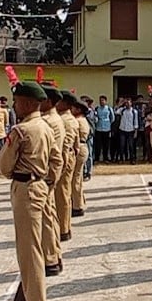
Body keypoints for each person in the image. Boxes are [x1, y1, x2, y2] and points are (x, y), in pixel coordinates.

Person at [0, 81, 62, 301]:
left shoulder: (21, 130)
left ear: (25, 103)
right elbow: (56, 160)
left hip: (25, 188)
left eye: (16, 102)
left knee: (29, 252)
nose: (14, 106)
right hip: (39, 187)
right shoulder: (46, 127)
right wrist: (48, 184)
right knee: (33, 247)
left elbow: (4, 168)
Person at [40, 85, 65, 276]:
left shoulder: (49, 121)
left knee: (46, 217)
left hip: (45, 172)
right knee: (50, 215)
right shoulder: (52, 119)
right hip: (48, 172)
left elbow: (50, 152)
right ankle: (54, 254)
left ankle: (50, 259)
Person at [56, 91, 80, 241]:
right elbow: (76, 142)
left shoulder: (64, 120)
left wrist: (62, 163)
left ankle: (63, 229)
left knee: (62, 195)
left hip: (64, 157)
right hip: (70, 156)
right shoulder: (72, 119)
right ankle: (65, 226)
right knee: (65, 192)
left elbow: (66, 144)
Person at [71, 98, 90, 217]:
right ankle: (79, 202)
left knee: (75, 179)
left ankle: (77, 206)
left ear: (78, 109)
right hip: (82, 147)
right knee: (78, 178)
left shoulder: (77, 121)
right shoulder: (82, 120)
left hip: (79, 147)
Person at [117, 98, 138, 164]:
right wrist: (120, 104)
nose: (127, 104)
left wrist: (135, 131)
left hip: (131, 130)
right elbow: (116, 112)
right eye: (126, 103)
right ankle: (121, 159)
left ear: (131, 103)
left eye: (129, 103)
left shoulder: (134, 111)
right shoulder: (122, 110)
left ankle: (132, 159)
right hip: (122, 130)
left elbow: (136, 121)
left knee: (131, 146)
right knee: (122, 145)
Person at [94, 96, 114, 163]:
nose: (101, 102)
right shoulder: (97, 108)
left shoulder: (109, 108)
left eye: (103, 100)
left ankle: (105, 158)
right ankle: (97, 158)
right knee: (98, 145)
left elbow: (112, 118)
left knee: (106, 144)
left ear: (105, 101)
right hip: (99, 129)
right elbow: (95, 117)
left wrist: (108, 124)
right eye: (100, 100)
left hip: (107, 129)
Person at [82, 96, 95, 181]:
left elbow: (90, 119)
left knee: (89, 154)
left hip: (89, 135)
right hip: (82, 135)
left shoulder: (90, 112)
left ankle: (89, 172)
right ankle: (83, 171)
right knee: (83, 154)